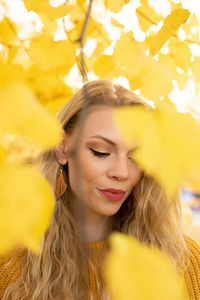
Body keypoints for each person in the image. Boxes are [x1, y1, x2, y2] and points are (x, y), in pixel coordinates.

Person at [0, 79, 200, 300]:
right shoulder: (10, 266)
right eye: (101, 152)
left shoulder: (184, 261)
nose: (122, 172)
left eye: (135, 157)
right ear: (62, 148)